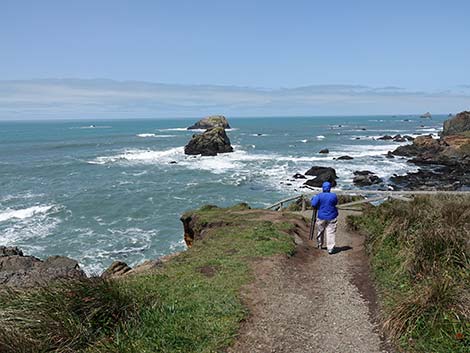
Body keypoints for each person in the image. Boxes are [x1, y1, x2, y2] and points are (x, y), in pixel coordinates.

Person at [311, 181, 338, 254]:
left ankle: (320, 245)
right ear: (329, 188)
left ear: (323, 188)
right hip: (332, 216)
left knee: (320, 231)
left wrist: (313, 199)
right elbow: (335, 203)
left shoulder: (319, 196)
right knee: (330, 232)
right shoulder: (334, 195)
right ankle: (330, 248)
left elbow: (313, 204)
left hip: (321, 216)